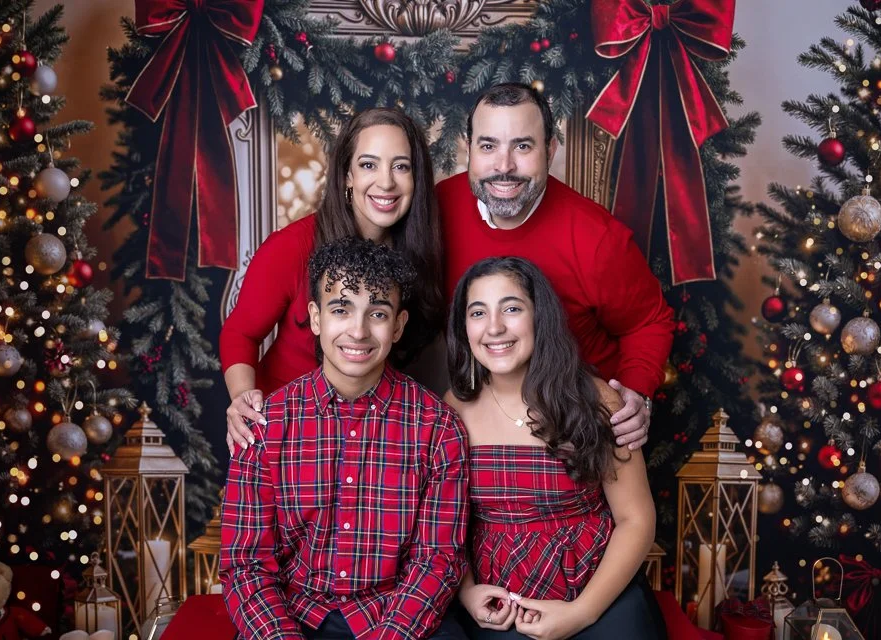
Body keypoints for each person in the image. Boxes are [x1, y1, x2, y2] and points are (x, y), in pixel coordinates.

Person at [220, 237, 469, 640]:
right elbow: (245, 564)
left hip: (396, 617)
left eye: (378, 313)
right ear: (316, 318)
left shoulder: (438, 428)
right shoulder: (266, 424)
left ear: (399, 325)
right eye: (341, 309)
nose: (358, 331)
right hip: (294, 615)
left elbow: (436, 562)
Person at [437, 83, 675, 451]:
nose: (504, 166)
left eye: (523, 146)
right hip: (477, 426)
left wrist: (636, 391)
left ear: (550, 150)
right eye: (488, 146)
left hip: (574, 432)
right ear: (467, 149)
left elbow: (648, 321)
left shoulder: (598, 238)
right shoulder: (436, 211)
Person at [444, 257, 665, 640]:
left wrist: (582, 612)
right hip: (499, 604)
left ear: (539, 317)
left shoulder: (595, 399)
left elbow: (636, 519)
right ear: (464, 328)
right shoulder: (454, 407)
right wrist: (466, 592)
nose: (495, 327)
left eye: (512, 308)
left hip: (598, 593)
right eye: (478, 312)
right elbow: (444, 522)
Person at [221, 107, 443, 456]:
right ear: (347, 175)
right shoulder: (293, 246)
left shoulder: (420, 254)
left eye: (400, 167)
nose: (386, 182)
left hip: (374, 439)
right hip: (288, 435)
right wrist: (242, 400)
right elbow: (240, 333)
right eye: (369, 165)